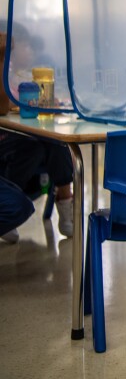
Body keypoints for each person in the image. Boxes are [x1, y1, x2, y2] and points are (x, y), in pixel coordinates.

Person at [0, 23, 75, 243]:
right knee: (43, 141)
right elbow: (7, 103)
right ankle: (63, 196)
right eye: (25, 46)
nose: (29, 51)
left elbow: (16, 99)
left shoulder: (15, 73)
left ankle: (65, 198)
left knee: (49, 140)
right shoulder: (7, 71)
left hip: (15, 136)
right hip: (6, 138)